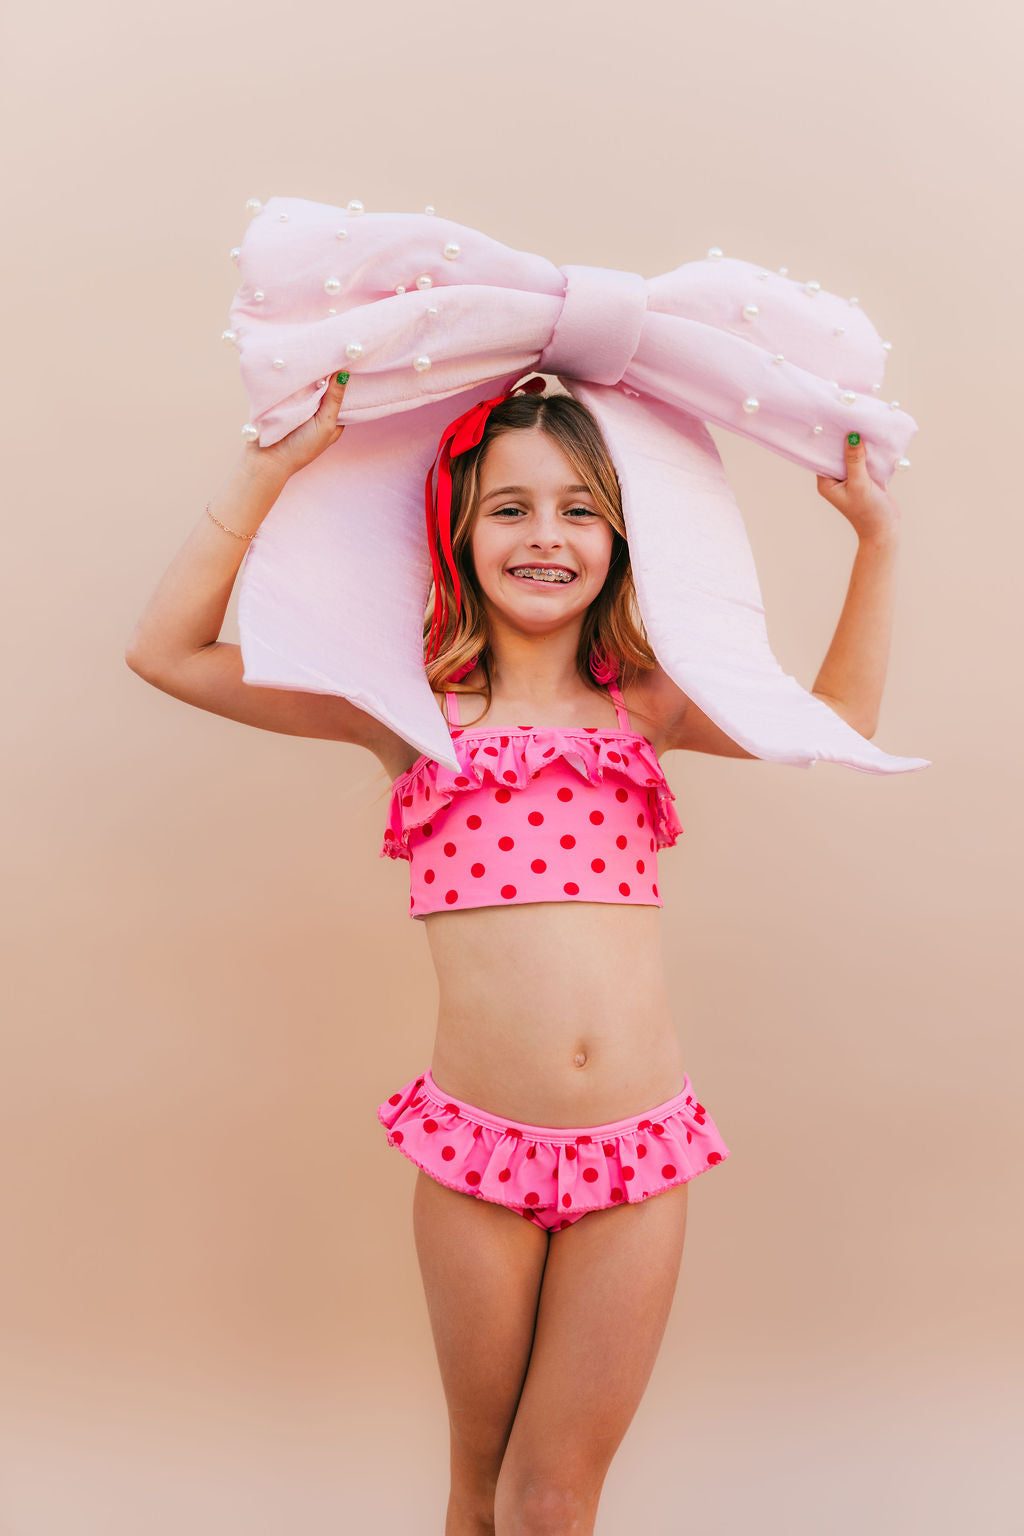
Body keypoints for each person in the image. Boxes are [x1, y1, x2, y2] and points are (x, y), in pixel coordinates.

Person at [126, 366, 904, 1536]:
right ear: (457, 528)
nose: (547, 535)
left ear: (622, 540)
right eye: (511, 507)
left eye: (580, 509)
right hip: (479, 1159)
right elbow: (168, 653)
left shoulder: (648, 706)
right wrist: (265, 472)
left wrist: (876, 543)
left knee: (552, 1504)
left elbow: (837, 722)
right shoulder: (411, 708)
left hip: (635, 1160)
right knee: (479, 1493)